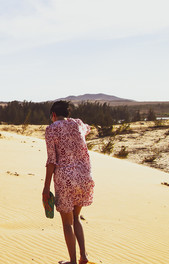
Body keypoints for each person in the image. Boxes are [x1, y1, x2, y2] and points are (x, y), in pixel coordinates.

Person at [43, 101, 94, 264]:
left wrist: (46, 188)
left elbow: (51, 161)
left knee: (67, 223)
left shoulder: (52, 129)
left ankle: (72, 261)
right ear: (68, 114)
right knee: (76, 218)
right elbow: (88, 128)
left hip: (65, 180)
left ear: (53, 115)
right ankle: (83, 257)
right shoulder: (78, 124)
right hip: (84, 177)